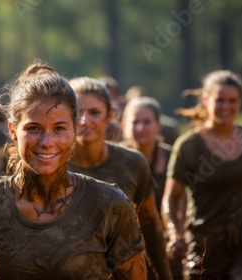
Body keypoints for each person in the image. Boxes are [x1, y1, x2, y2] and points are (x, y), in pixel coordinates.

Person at [0, 61, 147, 279]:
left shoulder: (109, 205)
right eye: (33, 128)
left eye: (59, 129)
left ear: (76, 131)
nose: (47, 141)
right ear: (13, 130)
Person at [162, 70, 242, 279]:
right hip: (205, 238)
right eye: (220, 100)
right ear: (206, 100)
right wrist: (174, 233)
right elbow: (171, 196)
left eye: (232, 101)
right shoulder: (188, 146)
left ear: (240, 102)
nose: (226, 107)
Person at [67, 77, 172, 280]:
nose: (86, 121)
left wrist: (165, 276)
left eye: (95, 112)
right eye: (79, 112)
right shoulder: (53, 166)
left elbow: (150, 225)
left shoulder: (132, 163)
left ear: (110, 116)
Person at [121, 96, 184, 279]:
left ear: (159, 125)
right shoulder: (115, 161)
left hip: (167, 238)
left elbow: (182, 199)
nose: (141, 128)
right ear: (124, 125)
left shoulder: (174, 157)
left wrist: (177, 235)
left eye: (147, 122)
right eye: (135, 122)